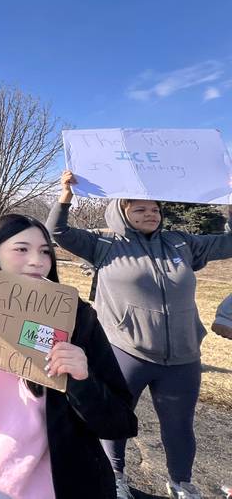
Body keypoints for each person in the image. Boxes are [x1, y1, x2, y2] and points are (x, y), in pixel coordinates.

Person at [0, 214, 137, 498]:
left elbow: (120, 422)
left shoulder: (78, 320)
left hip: (54, 484)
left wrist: (82, 380)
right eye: (22, 249)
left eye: (45, 251)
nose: (38, 260)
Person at [47, 170, 232, 499]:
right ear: (122, 212)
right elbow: (57, 231)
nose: (151, 214)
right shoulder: (104, 243)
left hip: (183, 357)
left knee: (179, 427)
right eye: (140, 209)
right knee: (114, 419)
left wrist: (229, 202)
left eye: (155, 209)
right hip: (126, 351)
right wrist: (65, 195)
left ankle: (181, 483)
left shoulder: (181, 242)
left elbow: (228, 243)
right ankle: (114, 476)